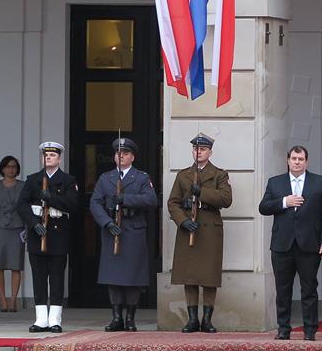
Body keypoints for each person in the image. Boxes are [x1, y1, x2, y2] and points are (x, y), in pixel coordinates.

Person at [259, 145, 322, 341]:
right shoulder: (275, 183)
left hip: (309, 244)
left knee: (309, 289)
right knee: (283, 289)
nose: (297, 162)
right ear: (288, 160)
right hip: (282, 244)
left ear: (306, 162)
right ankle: (283, 329)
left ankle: (310, 331)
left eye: (301, 159)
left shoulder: (319, 182)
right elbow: (263, 207)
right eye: (294, 159)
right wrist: (285, 202)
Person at [89, 138, 157, 332]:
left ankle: (130, 318)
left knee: (132, 277)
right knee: (114, 277)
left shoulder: (141, 178)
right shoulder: (106, 178)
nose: (121, 156)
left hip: (133, 230)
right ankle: (116, 317)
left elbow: (150, 200)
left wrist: (125, 199)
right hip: (112, 230)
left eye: (125, 153)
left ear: (132, 157)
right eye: (118, 153)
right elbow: (95, 203)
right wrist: (107, 223)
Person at [167, 133, 232, 333]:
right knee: (190, 276)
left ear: (210, 152)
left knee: (209, 277)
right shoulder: (183, 175)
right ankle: (192, 319)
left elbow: (226, 199)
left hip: (210, 228)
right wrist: (183, 221)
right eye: (196, 149)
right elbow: (173, 202)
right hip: (189, 228)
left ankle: (207, 320)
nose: (199, 152)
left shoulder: (220, 174)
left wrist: (200, 193)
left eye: (203, 149)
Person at [17, 142, 78, 333]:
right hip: (37, 233)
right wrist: (34, 224)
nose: (48, 158)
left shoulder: (68, 180)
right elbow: (22, 205)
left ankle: (55, 319)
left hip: (58, 233)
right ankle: (41, 319)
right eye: (46, 155)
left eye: (52, 155)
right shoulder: (33, 179)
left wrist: (50, 197)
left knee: (57, 278)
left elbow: (72, 204)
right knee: (39, 277)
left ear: (59, 158)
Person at [0, 156, 26, 312]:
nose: (11, 169)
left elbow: (27, 209)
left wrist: (27, 230)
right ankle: (3, 300)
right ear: (2, 169)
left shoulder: (23, 186)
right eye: (8, 166)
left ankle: (13, 300)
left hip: (18, 228)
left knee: (16, 266)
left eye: (14, 166)